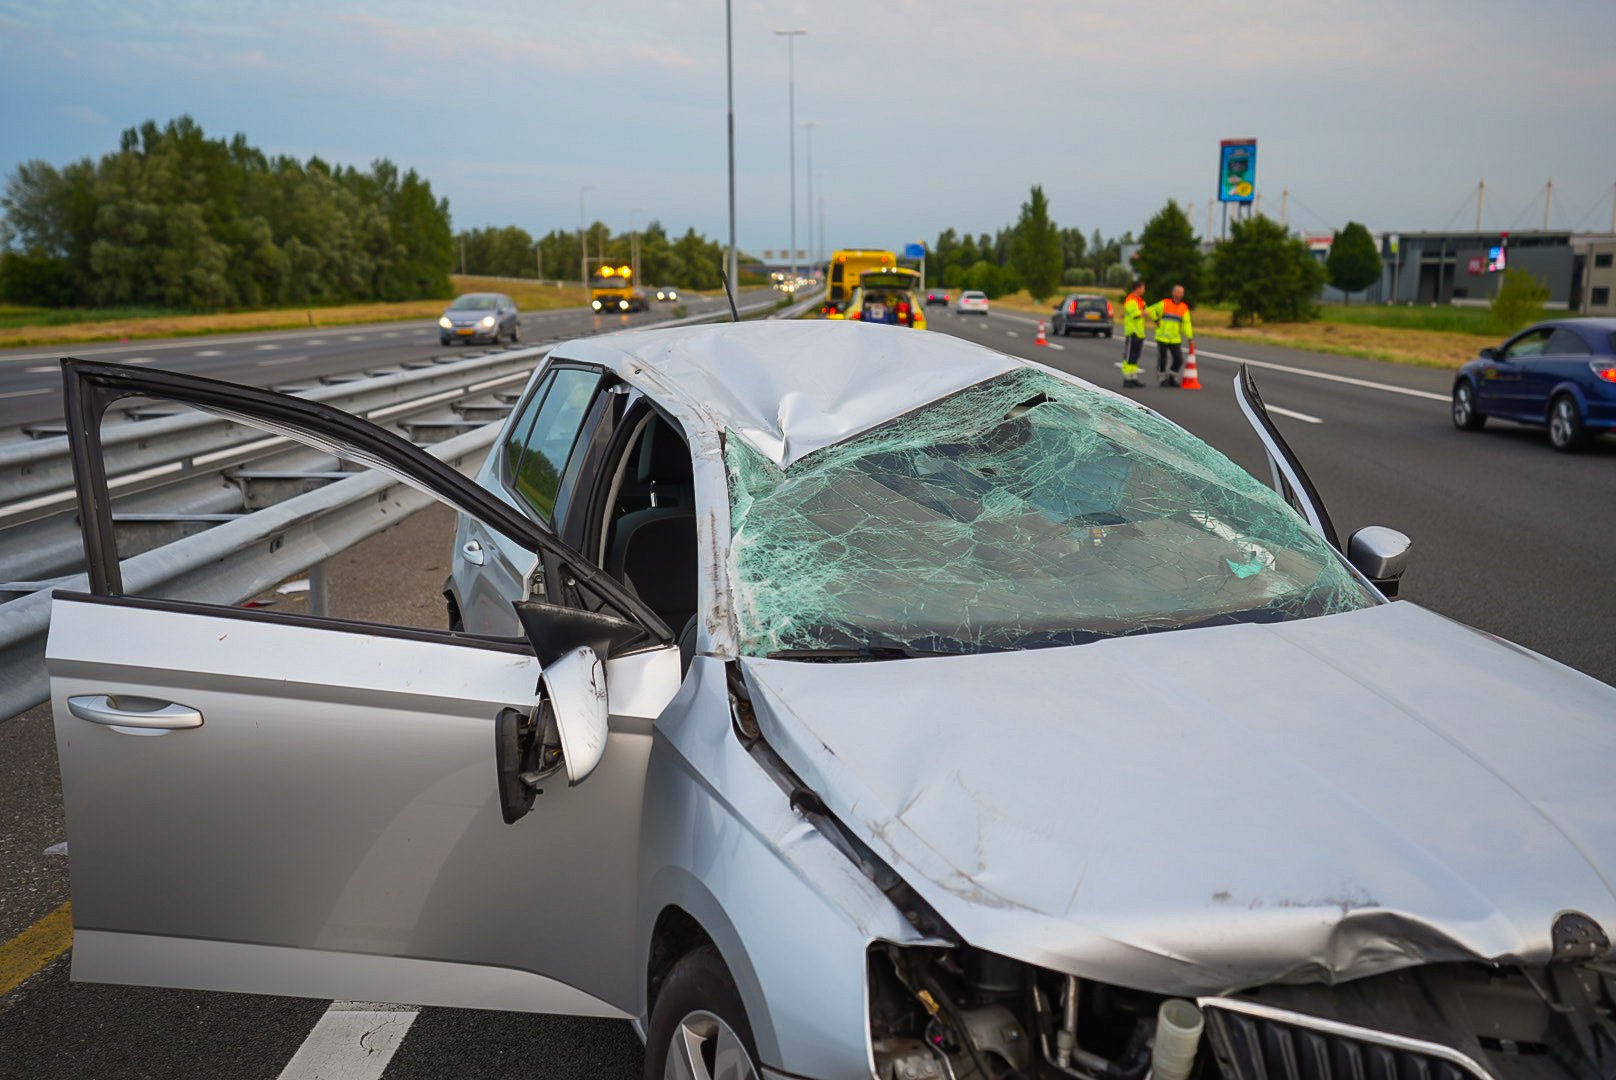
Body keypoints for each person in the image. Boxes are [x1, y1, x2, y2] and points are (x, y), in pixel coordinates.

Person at [1146, 285, 1194, 387]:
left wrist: (1190, 337)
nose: (1181, 294)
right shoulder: (1165, 303)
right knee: (1163, 359)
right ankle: (1162, 378)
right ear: (1173, 293)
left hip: (1175, 338)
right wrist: (1156, 320)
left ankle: (1172, 377)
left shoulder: (1183, 308)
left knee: (1178, 359)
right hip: (1162, 337)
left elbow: (1187, 324)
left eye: (1182, 292)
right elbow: (1151, 310)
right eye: (1179, 292)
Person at [1120, 281, 1147, 388]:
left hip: (1139, 333)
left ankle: (1133, 377)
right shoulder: (1130, 300)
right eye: (1143, 288)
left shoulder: (1140, 300)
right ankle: (1127, 379)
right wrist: (1143, 313)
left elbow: (1146, 310)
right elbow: (1135, 314)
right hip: (1132, 332)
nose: (1144, 290)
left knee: (1136, 357)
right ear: (1138, 288)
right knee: (1129, 356)